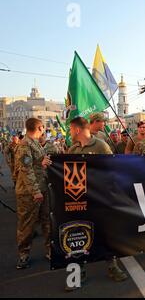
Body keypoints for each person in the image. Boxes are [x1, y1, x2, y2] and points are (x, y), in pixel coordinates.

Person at [65, 117, 127, 290]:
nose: (70, 132)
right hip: (79, 201)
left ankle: (112, 266)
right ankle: (79, 272)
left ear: (77, 130)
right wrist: (48, 164)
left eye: (70, 129)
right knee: (78, 235)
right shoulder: (73, 149)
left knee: (104, 233)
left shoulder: (101, 146)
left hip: (100, 199)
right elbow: (65, 171)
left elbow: (112, 170)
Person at [14, 118, 52, 269]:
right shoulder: (25, 145)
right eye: (43, 127)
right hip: (28, 193)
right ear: (39, 127)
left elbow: (36, 164)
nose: (44, 130)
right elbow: (26, 170)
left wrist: (43, 162)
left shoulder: (35, 142)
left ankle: (50, 250)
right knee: (27, 225)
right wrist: (35, 191)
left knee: (47, 221)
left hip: (42, 188)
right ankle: (23, 254)